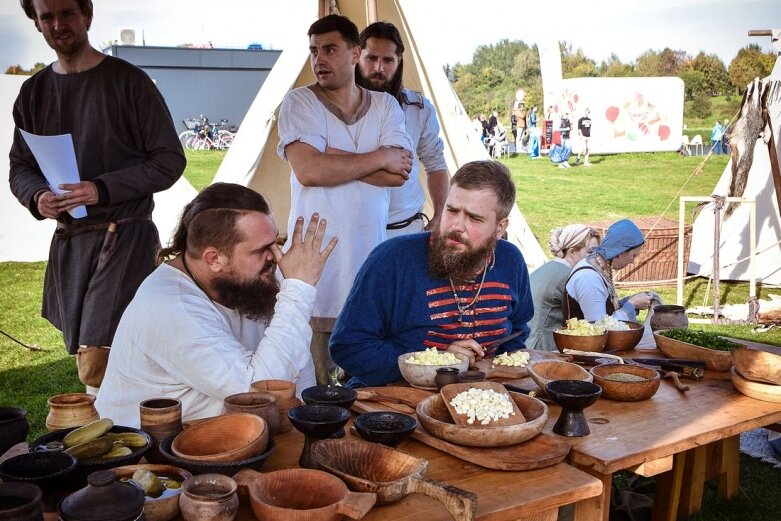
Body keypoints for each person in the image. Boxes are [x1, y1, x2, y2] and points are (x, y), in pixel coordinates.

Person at [9, 0, 185, 394]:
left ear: (86, 15)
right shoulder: (33, 93)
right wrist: (37, 196)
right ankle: (119, 435)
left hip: (125, 235)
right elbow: (20, 167)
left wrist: (100, 188)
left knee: (99, 355)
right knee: (90, 353)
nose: (59, 24)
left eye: (67, 13)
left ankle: (117, 436)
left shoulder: (129, 82)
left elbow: (170, 161)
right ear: (36, 23)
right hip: (72, 242)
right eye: (47, 17)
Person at [95, 183, 337, 426]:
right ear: (214, 259)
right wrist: (298, 289)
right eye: (262, 249)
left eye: (276, 242)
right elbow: (259, 393)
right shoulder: (171, 306)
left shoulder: (248, 280)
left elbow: (297, 364)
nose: (275, 256)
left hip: (227, 440)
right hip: (145, 454)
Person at [277, 14, 413, 384]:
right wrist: (378, 156)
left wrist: (329, 156)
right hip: (317, 268)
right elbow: (307, 170)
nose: (319, 59)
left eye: (330, 49)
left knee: (366, 387)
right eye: (314, 51)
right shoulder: (299, 103)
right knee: (317, 389)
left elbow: (398, 173)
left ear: (355, 54)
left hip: (367, 262)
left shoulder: (385, 106)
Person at [330, 160, 534, 388]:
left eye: (474, 218)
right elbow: (347, 347)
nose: (457, 225)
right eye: (452, 210)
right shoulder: (392, 260)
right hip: (392, 402)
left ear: (500, 227)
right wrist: (435, 362)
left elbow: (517, 333)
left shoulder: (511, 261)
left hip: (479, 401)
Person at [356, 21, 449, 238]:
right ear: (357, 56)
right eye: (371, 58)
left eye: (388, 60)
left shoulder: (419, 108)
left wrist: (440, 214)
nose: (379, 68)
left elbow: (435, 163)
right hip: (353, 230)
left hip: (405, 228)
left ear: (399, 62)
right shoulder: (336, 110)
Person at [564, 219, 653, 324]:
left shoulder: (597, 264)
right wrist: (631, 305)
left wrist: (628, 302)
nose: (633, 261)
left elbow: (604, 308)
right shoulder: (589, 279)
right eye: (633, 255)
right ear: (620, 252)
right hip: (583, 340)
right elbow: (599, 327)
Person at [527, 225, 599, 351]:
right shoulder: (569, 276)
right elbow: (590, 320)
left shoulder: (548, 267)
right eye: (590, 252)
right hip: (541, 348)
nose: (596, 257)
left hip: (526, 342)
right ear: (572, 252)